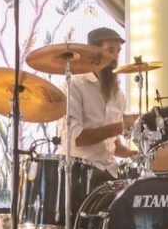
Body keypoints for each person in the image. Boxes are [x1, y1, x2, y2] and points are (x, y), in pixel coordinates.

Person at [59, 26, 137, 179]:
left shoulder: (119, 95)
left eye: (118, 52)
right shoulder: (74, 86)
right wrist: (120, 126)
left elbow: (113, 145)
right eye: (110, 50)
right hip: (78, 172)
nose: (115, 58)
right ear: (93, 51)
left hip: (109, 170)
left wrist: (134, 155)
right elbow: (76, 139)